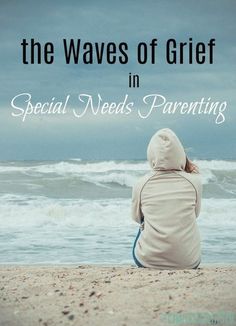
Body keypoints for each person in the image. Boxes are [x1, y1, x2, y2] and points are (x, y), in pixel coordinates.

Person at [131, 128, 202, 269]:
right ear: (180, 153)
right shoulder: (195, 182)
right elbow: (195, 214)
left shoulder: (141, 183)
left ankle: (153, 253)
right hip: (189, 262)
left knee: (144, 223)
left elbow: (137, 218)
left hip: (148, 262)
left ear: (151, 154)